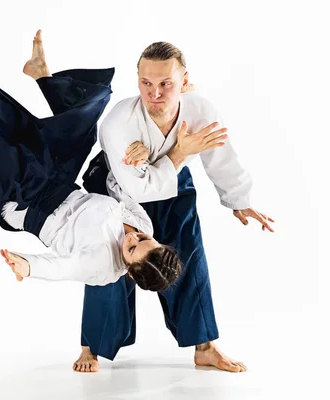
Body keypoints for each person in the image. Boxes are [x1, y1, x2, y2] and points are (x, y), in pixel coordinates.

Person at [72, 41, 275, 373]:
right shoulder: (118, 123)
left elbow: (220, 155)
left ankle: (205, 346)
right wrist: (179, 152)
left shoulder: (201, 111)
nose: (155, 93)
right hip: (118, 192)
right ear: (137, 81)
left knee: (189, 255)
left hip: (172, 187)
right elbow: (138, 186)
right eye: (146, 83)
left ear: (185, 81)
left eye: (165, 83)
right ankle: (92, 345)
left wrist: (239, 201)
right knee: (109, 264)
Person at [0, 31, 183, 288]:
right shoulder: (143, 224)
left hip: (25, 198)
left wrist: (28, 266)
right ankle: (41, 73)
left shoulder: (101, 266)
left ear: (129, 272)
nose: (131, 239)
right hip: (59, 180)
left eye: (131, 250)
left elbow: (62, 268)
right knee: (84, 119)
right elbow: (119, 187)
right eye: (142, 239)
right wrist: (138, 154)